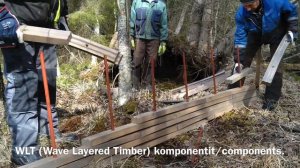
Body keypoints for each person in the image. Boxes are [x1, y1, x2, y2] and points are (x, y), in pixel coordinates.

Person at [0, 0, 73, 165]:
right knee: (23, 89)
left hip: (47, 29)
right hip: (18, 26)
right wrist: (3, 16)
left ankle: (50, 135)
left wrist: (61, 16)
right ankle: (24, 149)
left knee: (47, 85)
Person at [229, 0, 298, 110]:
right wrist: (238, 61)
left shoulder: (276, 2)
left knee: (275, 65)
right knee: (241, 62)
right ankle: (231, 94)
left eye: (250, 5)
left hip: (277, 31)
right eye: (245, 6)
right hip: (255, 32)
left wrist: (292, 29)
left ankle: (270, 101)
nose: (247, 8)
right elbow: (240, 37)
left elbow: (291, 10)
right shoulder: (241, 13)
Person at [130, 0, 168, 90]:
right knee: (136, 61)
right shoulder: (137, 2)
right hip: (139, 37)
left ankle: (147, 85)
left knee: (151, 62)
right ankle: (135, 86)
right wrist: (131, 36)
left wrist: (163, 41)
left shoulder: (161, 5)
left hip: (154, 38)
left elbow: (164, 24)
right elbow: (132, 20)